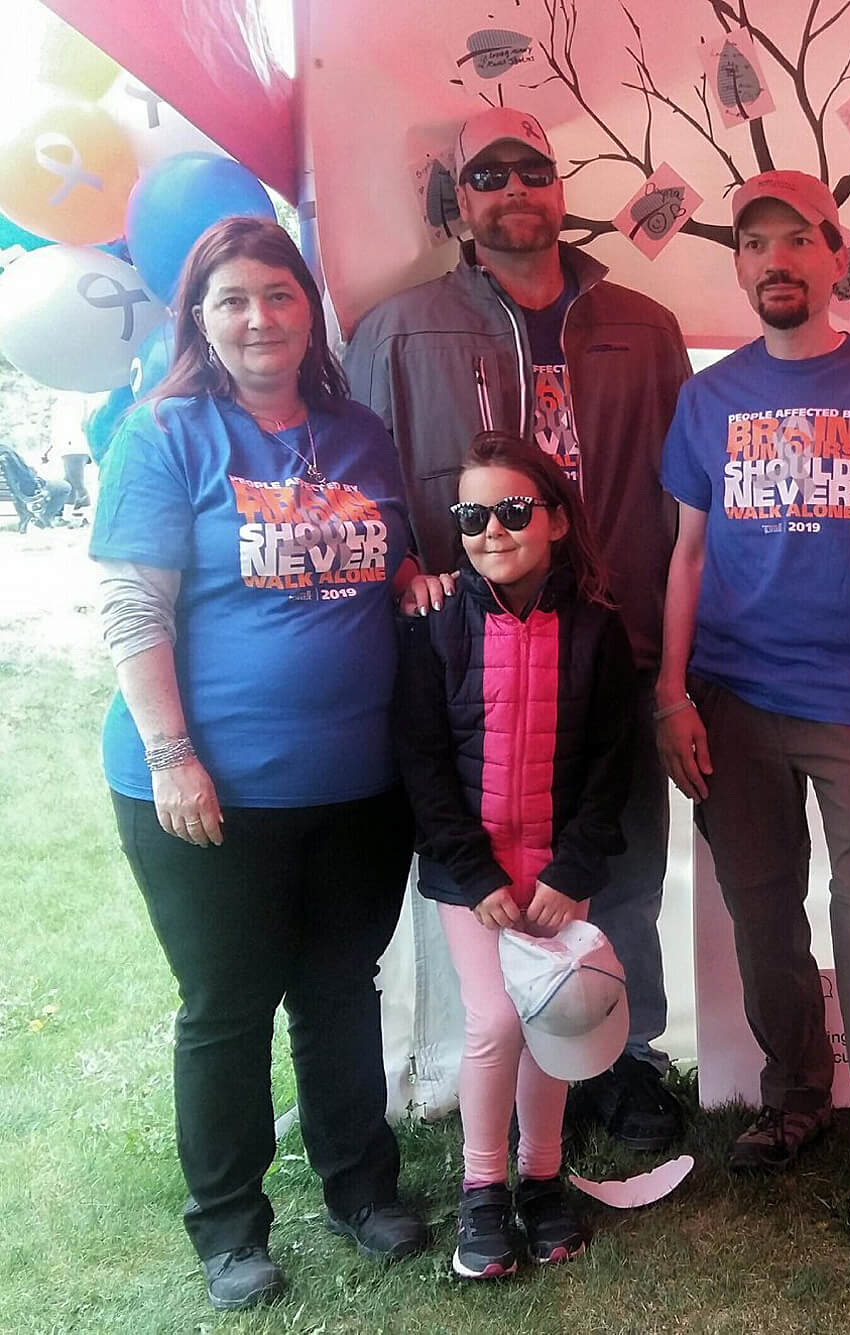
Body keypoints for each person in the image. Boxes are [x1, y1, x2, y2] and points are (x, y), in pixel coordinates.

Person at [88, 216, 427, 1311]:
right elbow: (133, 606)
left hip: (359, 786)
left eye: (279, 296)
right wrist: (175, 755)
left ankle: (362, 1190)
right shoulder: (167, 434)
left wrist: (413, 579)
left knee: (339, 993)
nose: (259, 318)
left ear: (308, 311)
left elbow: (386, 555)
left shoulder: (361, 434)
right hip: (206, 790)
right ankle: (230, 1227)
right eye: (233, 298)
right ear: (200, 316)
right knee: (227, 1006)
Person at [345, 106, 691, 1153]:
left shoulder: (642, 322)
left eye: (532, 170)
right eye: (487, 175)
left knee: (615, 863)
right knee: (489, 861)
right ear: (459, 201)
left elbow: (689, 504)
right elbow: (363, 485)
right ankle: (516, 1055)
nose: (514, 190)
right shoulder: (398, 330)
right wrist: (407, 566)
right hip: (471, 658)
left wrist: (677, 662)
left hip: (611, 645)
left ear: (559, 187)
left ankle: (617, 1061)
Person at [655, 170, 850, 1250]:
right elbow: (688, 557)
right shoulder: (709, 399)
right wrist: (671, 693)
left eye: (798, 242)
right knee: (761, 912)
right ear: (738, 264)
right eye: (755, 245)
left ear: (838, 258)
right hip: (733, 700)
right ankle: (795, 1095)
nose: (776, 262)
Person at [392, 429, 638, 1280]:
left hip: (557, 878)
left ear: (558, 522)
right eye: (471, 514)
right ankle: (483, 1188)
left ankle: (541, 1179)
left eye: (512, 510)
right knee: (497, 1020)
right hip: (475, 879)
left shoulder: (599, 632)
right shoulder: (435, 628)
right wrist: (475, 873)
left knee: (554, 1019)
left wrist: (572, 874)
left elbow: (615, 764)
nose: (491, 529)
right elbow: (422, 765)